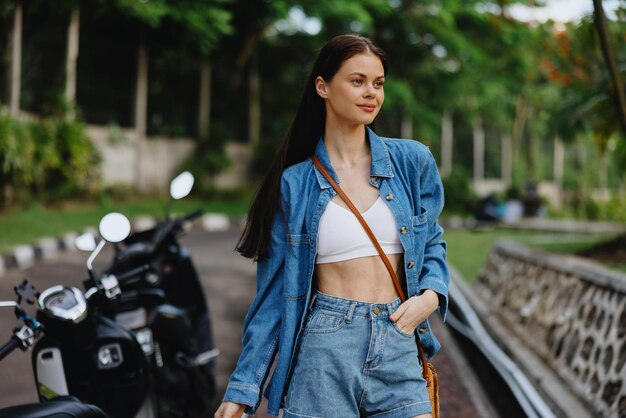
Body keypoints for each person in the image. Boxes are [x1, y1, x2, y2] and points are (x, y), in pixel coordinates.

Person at [215, 34, 449, 418]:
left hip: (398, 340)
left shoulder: (413, 161)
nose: (370, 93)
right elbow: (273, 296)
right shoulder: (294, 184)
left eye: (378, 83)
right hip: (325, 349)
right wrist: (244, 388)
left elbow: (433, 242)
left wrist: (430, 297)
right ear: (322, 86)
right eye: (357, 81)